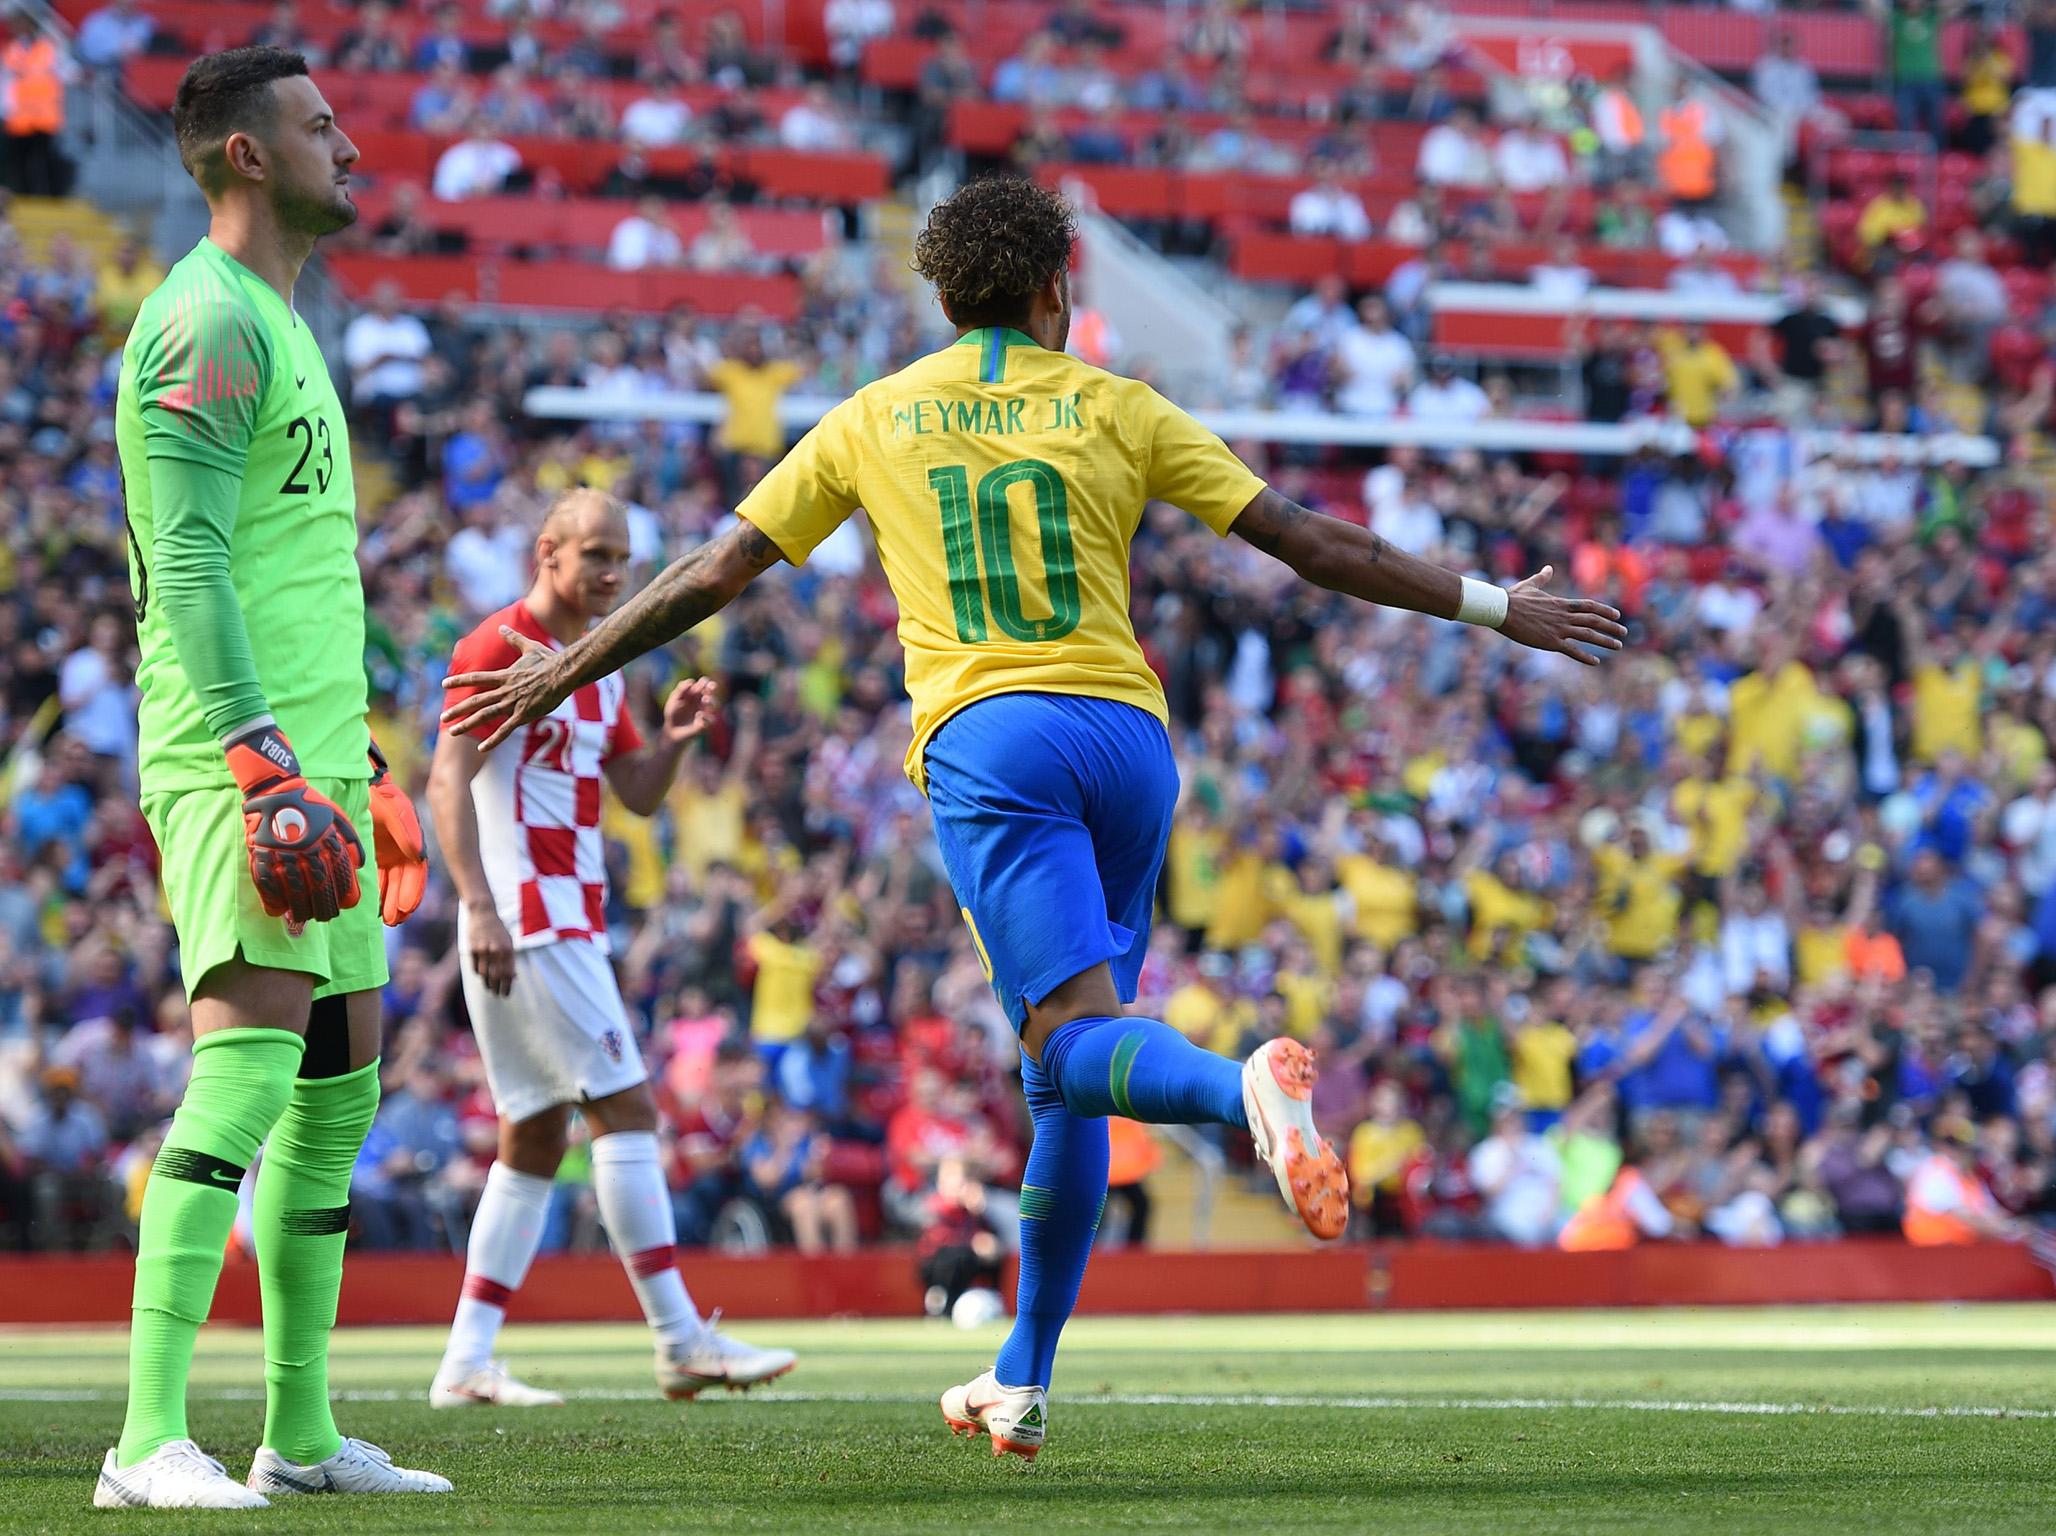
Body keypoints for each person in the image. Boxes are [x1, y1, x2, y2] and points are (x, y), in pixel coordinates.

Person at [439, 176, 1625, 1461]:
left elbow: (710, 573)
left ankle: (1239, 1091)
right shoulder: (1117, 405)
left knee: (1069, 1048)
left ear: (942, 294)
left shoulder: (876, 415)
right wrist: (1499, 607)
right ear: (1061, 284)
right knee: (1061, 1077)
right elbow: (1306, 543)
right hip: (1129, 743)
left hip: (993, 741)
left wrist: (569, 664)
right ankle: (1022, 1374)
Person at [99, 47, 444, 1509]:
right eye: (317, 126)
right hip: (235, 760)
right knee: (241, 1085)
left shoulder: (288, 326)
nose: (347, 146)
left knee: (340, 1096)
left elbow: (283, 572)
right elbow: (182, 562)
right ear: (247, 156)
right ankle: (141, 1442)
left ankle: (299, 1435)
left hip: (312, 756)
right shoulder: (208, 324)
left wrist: (352, 756)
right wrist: (256, 761)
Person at [428, 489, 796, 1408]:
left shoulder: (603, 664)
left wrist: (669, 743)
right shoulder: (496, 647)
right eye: (594, 554)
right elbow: (447, 777)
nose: (612, 574)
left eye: (623, 559)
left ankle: (467, 1359)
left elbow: (631, 791)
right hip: (527, 918)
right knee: (626, 1113)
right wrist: (476, 904)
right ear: (544, 552)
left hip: (561, 918)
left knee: (535, 1138)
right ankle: (679, 1340)